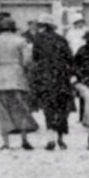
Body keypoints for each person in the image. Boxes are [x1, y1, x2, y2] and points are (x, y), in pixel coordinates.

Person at [0, 15, 38, 150]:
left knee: (3, 111)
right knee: (21, 109)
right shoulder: (21, 40)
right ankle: (24, 140)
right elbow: (27, 61)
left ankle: (6, 143)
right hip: (17, 76)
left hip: (0, 78)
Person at [29, 16, 75, 151]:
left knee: (48, 108)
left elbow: (35, 58)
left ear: (44, 26)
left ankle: (50, 139)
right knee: (61, 108)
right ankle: (61, 138)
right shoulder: (61, 39)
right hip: (61, 77)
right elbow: (69, 58)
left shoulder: (38, 39)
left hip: (45, 78)